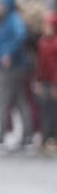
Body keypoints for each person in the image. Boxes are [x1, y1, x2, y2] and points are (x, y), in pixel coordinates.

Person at [0, 0, 32, 149]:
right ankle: (25, 135)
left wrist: (8, 54)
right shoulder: (8, 19)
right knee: (19, 101)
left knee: (6, 101)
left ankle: (2, 135)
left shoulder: (13, 19)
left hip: (13, 67)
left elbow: (20, 36)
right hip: (12, 66)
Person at [35, 11, 57, 149]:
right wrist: (39, 80)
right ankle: (45, 135)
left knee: (54, 110)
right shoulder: (42, 42)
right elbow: (40, 63)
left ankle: (53, 137)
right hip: (45, 81)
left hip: (54, 82)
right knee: (44, 109)